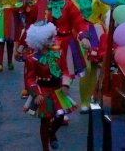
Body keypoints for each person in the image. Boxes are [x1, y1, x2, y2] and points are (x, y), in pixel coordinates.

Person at [23, 21, 77, 151]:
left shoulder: (58, 54)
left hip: (57, 90)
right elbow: (29, 78)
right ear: (39, 41)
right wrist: (36, 94)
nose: (54, 39)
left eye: (53, 36)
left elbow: (65, 70)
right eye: (49, 38)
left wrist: (65, 84)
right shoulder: (32, 59)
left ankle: (52, 134)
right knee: (45, 121)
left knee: (60, 116)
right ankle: (45, 148)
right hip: (43, 92)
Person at [67, 0, 108, 113]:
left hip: (96, 30)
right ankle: (84, 100)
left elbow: (105, 12)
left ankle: (93, 98)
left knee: (97, 67)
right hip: (79, 32)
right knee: (86, 67)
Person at [42, 0, 88, 81]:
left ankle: (64, 94)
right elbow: (37, 23)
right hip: (48, 44)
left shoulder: (67, 2)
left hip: (67, 43)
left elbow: (78, 21)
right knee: (49, 73)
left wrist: (84, 36)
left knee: (67, 74)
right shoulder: (43, 4)